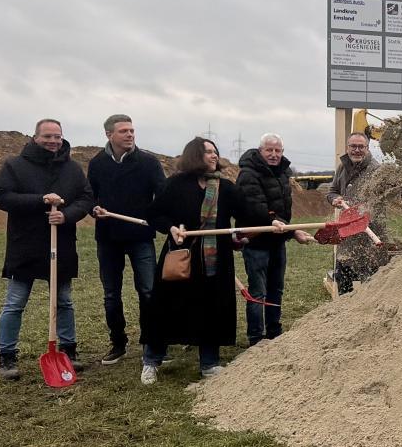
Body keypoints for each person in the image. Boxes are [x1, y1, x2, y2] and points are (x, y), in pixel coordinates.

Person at [0, 119, 95, 380]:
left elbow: (86, 198)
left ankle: (68, 350)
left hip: (61, 244)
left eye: (57, 137)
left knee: (64, 301)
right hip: (24, 244)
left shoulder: (71, 169)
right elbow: (2, 197)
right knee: (15, 302)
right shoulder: (15, 166)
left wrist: (67, 215)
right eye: (47, 136)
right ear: (35, 137)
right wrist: (41, 200)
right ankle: (6, 355)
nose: (53, 141)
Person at [141, 137, 246, 384]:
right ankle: (151, 361)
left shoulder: (225, 187)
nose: (213, 156)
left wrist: (276, 224)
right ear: (194, 156)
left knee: (212, 309)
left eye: (215, 152)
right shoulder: (175, 185)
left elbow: (249, 213)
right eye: (207, 152)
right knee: (164, 309)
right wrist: (170, 228)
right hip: (181, 258)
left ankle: (209, 363)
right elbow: (153, 214)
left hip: (214, 261)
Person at [88, 114, 166, 365]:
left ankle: (151, 343)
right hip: (108, 238)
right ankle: (118, 343)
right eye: (124, 131)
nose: (130, 135)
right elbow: (89, 195)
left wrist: (154, 216)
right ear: (109, 135)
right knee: (111, 293)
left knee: (148, 291)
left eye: (132, 130)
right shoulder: (97, 163)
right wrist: (94, 209)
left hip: (140, 236)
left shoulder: (148, 163)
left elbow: (162, 195)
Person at [235, 133, 314, 346]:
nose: (273, 154)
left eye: (277, 150)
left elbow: (283, 210)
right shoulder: (248, 174)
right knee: (258, 291)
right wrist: (280, 225)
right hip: (257, 242)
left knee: (276, 288)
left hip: (277, 242)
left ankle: (274, 331)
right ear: (260, 151)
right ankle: (256, 337)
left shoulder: (282, 174)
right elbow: (256, 208)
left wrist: (292, 232)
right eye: (269, 150)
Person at [327, 130, 388, 294]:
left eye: (361, 146)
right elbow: (332, 191)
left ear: (367, 148)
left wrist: (366, 210)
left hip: (369, 233)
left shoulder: (377, 171)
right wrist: (334, 199)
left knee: (370, 283)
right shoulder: (342, 167)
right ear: (347, 147)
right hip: (347, 235)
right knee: (344, 280)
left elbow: (383, 200)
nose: (357, 150)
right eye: (353, 146)